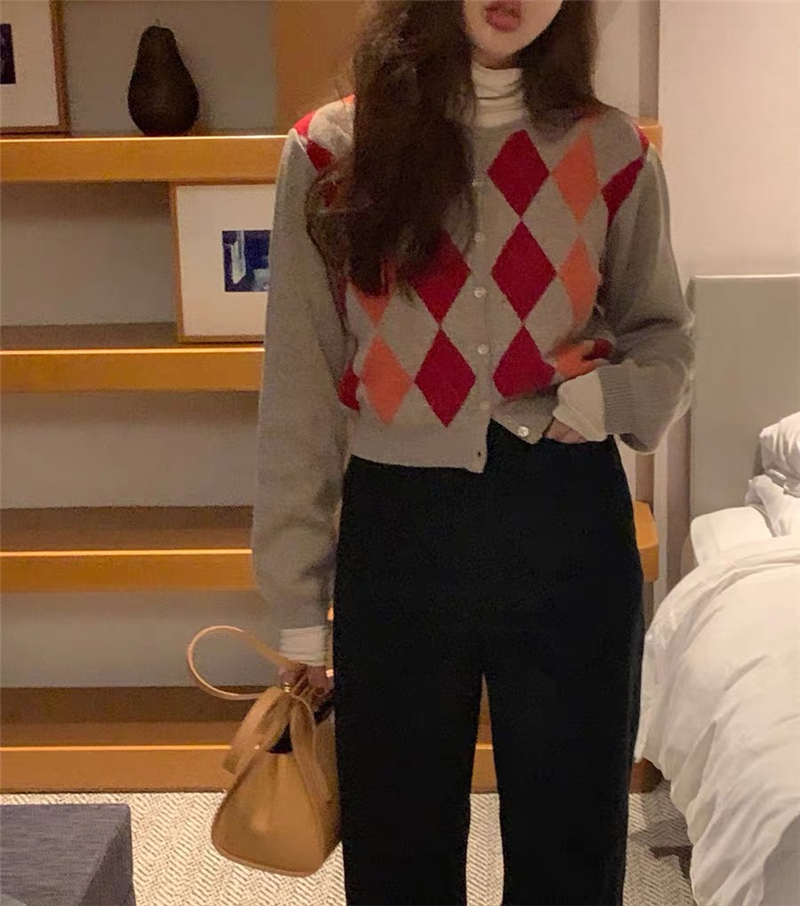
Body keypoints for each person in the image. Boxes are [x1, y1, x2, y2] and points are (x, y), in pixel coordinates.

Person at [250, 1, 694, 903]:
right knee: (396, 839)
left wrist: (605, 400)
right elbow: (300, 382)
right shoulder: (332, 151)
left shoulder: (613, 152)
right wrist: (296, 600)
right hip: (399, 530)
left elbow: (664, 338)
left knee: (573, 836)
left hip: (568, 521)